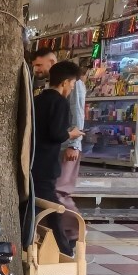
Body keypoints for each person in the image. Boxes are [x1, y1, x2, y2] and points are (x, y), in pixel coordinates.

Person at [32, 61, 85, 257]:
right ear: (64, 82)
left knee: (38, 206)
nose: (71, 88)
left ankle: (54, 248)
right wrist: (71, 134)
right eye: (72, 84)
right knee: (54, 209)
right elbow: (56, 133)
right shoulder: (60, 102)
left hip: (34, 160)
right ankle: (65, 250)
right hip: (46, 164)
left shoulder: (38, 99)